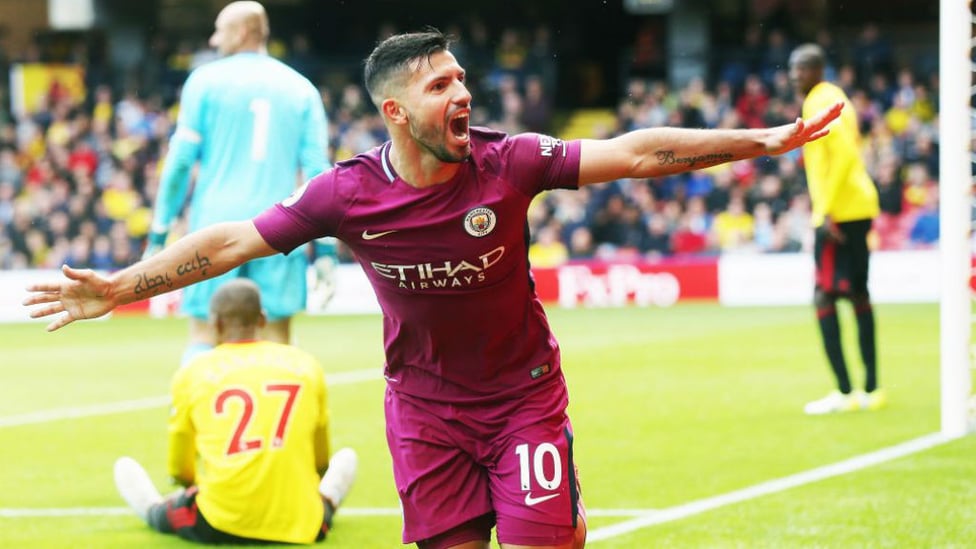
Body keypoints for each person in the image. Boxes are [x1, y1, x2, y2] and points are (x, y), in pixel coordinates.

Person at [26, 29, 842, 549]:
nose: (463, 95)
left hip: (523, 399)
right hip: (422, 412)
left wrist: (758, 141)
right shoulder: (345, 195)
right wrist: (124, 286)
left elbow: (633, 152)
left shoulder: (509, 162)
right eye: (440, 86)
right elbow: (233, 238)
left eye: (461, 79)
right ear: (395, 109)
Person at [145, 1, 329, 364]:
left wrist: (158, 233)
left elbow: (181, 161)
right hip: (281, 226)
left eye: (220, 30)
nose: (214, 39)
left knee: (204, 331)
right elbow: (318, 171)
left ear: (243, 32)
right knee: (277, 337)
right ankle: (278, 419)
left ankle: (196, 419)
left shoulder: (204, 81)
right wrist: (324, 249)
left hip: (214, 226)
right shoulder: (301, 88)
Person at [112, 278, 358, 544]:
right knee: (342, 467)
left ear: (215, 323)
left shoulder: (194, 371)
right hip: (299, 524)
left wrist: (189, 488)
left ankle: (151, 508)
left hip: (220, 521)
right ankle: (326, 500)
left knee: (160, 515)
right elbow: (320, 462)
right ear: (262, 320)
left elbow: (180, 469)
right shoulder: (306, 365)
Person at [788, 43, 884, 415]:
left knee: (824, 297)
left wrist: (825, 211)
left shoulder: (818, 100)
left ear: (817, 69)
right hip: (857, 205)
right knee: (859, 294)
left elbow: (843, 155)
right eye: (793, 70)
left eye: (801, 69)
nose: (795, 76)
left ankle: (845, 392)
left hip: (840, 212)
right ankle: (872, 389)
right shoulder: (836, 97)